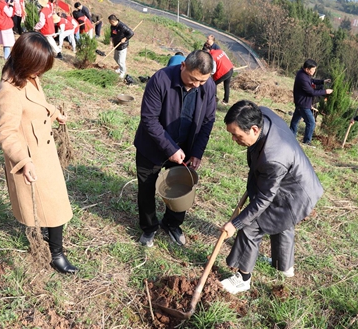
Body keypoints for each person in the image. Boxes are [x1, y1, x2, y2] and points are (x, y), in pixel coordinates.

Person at [0, 32, 78, 274]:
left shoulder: (28, 77)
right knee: (55, 206)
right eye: (38, 67)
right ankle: (56, 255)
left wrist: (54, 113)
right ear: (25, 61)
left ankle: (51, 241)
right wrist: (23, 161)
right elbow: (7, 133)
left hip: (44, 150)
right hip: (32, 157)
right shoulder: (9, 91)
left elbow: (37, 103)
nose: (41, 73)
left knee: (52, 203)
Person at [220, 100, 324, 294]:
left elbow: (263, 200)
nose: (233, 139)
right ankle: (283, 266)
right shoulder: (262, 114)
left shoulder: (272, 157)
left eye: (237, 135)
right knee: (282, 222)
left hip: (294, 191)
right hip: (298, 179)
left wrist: (235, 223)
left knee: (250, 227)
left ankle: (243, 279)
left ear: (254, 129)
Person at [133, 50, 216, 247]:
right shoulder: (160, 80)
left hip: (185, 147)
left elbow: (207, 121)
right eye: (193, 79)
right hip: (152, 146)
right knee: (146, 187)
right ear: (183, 66)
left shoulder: (208, 86)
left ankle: (172, 223)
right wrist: (170, 148)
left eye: (202, 81)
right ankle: (149, 227)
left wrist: (197, 152)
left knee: (181, 187)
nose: (197, 85)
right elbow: (149, 119)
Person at [289, 59, 332, 147]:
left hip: (300, 102)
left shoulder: (303, 74)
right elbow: (311, 92)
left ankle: (291, 136)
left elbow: (311, 80)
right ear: (307, 69)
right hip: (303, 104)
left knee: (295, 121)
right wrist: (325, 91)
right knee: (311, 123)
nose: (314, 71)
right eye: (313, 69)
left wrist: (323, 81)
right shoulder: (302, 78)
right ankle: (306, 141)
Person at [108, 14, 133, 79]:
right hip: (116, 44)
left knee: (121, 61)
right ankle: (120, 68)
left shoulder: (122, 26)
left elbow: (131, 33)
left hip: (122, 46)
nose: (110, 23)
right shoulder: (112, 26)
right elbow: (112, 35)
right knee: (116, 58)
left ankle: (123, 72)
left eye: (110, 22)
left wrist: (125, 38)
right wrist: (111, 42)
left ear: (113, 21)